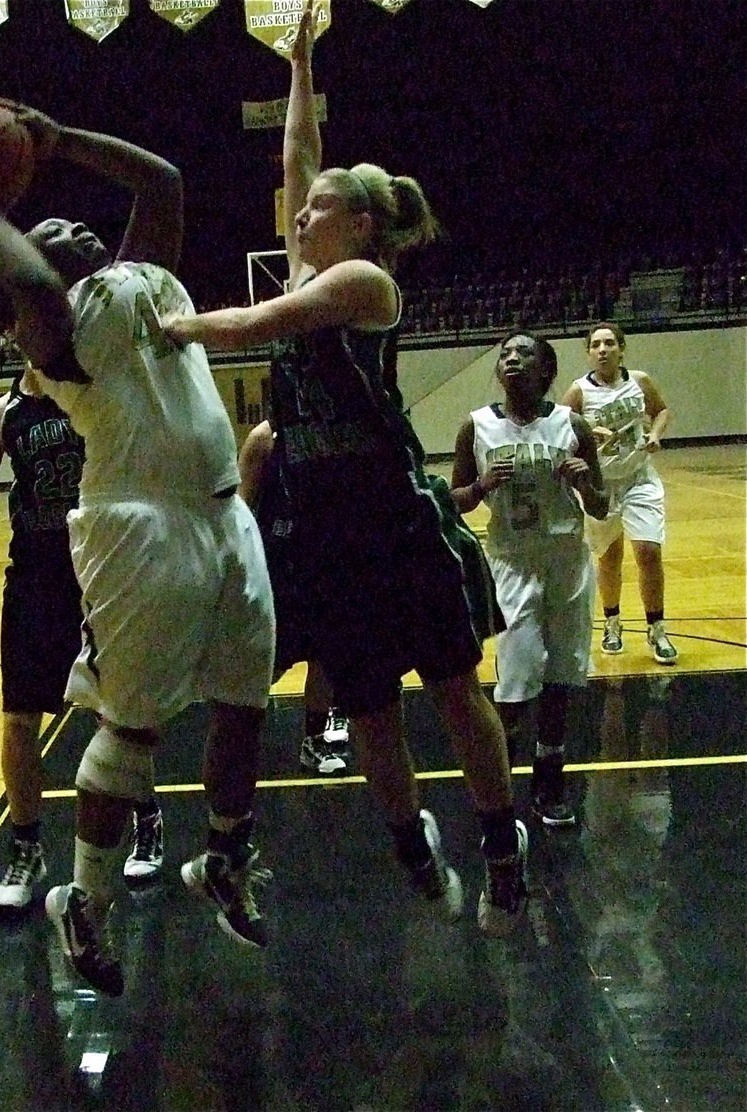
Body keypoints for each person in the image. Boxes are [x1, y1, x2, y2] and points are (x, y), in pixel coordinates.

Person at [162, 0, 527, 936]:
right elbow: (295, 154)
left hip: (391, 510)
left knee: (453, 689)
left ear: (360, 222)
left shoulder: (364, 284)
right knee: (366, 708)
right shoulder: (307, 256)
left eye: (318, 204)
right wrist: (297, 61)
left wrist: (160, 329)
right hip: (324, 522)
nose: (297, 208)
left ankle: (499, 840)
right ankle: (412, 843)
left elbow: (250, 327)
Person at [0, 105, 276, 996]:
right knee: (133, 725)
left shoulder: (150, 280)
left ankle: (227, 859)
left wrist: (61, 141)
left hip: (222, 510)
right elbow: (33, 291)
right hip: (136, 523)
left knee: (245, 703)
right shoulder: (55, 335)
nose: (74, 225)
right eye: (56, 229)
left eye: (77, 221)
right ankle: (83, 900)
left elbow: (161, 180)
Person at [0, 369, 164, 913]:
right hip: (33, 579)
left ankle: (147, 819)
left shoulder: (94, 391)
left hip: (99, 572)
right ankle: (27, 848)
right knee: (18, 720)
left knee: (118, 712)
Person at [451, 332, 609, 827]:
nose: (511, 359)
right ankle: (497, 784)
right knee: (516, 682)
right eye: (505, 354)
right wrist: (479, 486)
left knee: (561, 676)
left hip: (566, 559)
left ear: (546, 370)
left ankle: (549, 780)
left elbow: (602, 505)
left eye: (524, 353)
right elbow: (456, 499)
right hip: (512, 563)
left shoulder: (573, 425)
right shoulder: (475, 427)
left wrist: (586, 481)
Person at [237, 418, 350, 775]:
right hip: (277, 565)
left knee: (324, 660)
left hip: (322, 561)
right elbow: (241, 507)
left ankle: (313, 743)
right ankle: (235, 737)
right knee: (262, 665)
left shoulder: (332, 432)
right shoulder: (265, 439)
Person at [561, 322, 677, 664]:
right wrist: (585, 432)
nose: (602, 349)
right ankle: (612, 623)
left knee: (648, 552)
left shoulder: (639, 381)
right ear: (588, 352)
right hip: (602, 486)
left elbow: (662, 410)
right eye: (595, 344)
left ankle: (657, 628)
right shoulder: (579, 390)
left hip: (639, 477)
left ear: (621, 348)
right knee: (609, 559)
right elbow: (558, 425)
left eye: (609, 343)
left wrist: (655, 434)